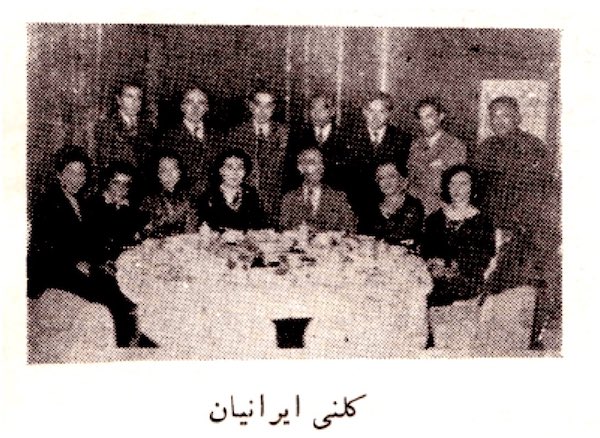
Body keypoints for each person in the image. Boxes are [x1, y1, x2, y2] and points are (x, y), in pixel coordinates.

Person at [27, 147, 151, 347]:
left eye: (82, 173)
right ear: (59, 174)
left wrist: (99, 262)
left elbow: (89, 240)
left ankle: (131, 336)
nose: (77, 178)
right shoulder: (49, 203)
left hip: (75, 264)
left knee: (118, 286)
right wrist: (78, 262)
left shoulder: (77, 200)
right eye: (71, 172)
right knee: (115, 296)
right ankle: (131, 341)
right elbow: (47, 245)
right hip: (52, 271)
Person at [469, 96, 554, 291]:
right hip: (489, 227)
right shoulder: (485, 148)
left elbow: (539, 194)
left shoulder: (534, 147)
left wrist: (515, 225)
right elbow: (477, 190)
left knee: (515, 286)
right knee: (487, 280)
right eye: (494, 116)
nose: (499, 121)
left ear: (518, 118)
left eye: (505, 115)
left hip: (523, 230)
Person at [421, 165, 496, 307]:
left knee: (438, 294)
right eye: (452, 183)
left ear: (473, 187)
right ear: (447, 187)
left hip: (467, 280)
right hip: (433, 276)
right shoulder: (435, 218)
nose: (457, 189)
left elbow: (483, 257)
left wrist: (451, 269)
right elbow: (426, 249)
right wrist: (433, 263)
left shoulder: (483, 222)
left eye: (463, 183)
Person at [339, 92, 413, 227]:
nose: (375, 116)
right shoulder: (347, 135)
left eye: (381, 112)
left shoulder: (402, 139)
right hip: (354, 205)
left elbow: (404, 175)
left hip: (388, 209)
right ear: (364, 112)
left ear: (389, 113)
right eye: (371, 111)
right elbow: (341, 175)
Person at [227, 89, 288, 227]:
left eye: (268, 106)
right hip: (244, 205)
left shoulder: (285, 133)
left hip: (277, 205)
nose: (262, 110)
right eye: (258, 104)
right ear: (250, 106)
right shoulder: (236, 133)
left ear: (274, 108)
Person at [407, 98, 467, 216]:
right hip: (416, 210)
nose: (425, 122)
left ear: (440, 116)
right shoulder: (414, 145)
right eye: (421, 117)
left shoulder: (456, 146)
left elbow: (458, 185)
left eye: (429, 116)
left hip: (444, 210)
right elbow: (410, 180)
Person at [159, 87, 219, 198]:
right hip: (181, 201)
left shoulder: (217, 137)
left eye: (201, 103)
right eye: (190, 102)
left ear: (206, 107)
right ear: (182, 106)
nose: (195, 108)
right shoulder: (168, 138)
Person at [280, 148, 357, 233]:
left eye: (320, 163)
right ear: (300, 168)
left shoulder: (338, 198)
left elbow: (350, 229)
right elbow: (283, 231)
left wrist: (332, 238)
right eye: (312, 162)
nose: (318, 167)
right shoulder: (289, 199)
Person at [197, 148, 265, 232]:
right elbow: (202, 228)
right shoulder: (208, 197)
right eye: (229, 167)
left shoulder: (251, 195)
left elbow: (259, 226)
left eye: (240, 168)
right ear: (220, 171)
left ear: (245, 171)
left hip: (246, 244)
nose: (235, 172)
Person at [284, 94, 343, 190]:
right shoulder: (298, 136)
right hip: (305, 194)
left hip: (335, 197)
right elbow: (291, 170)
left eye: (322, 108)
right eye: (313, 108)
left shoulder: (343, 137)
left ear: (332, 111)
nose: (316, 112)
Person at [360, 161, 424, 249]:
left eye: (391, 176)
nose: (386, 182)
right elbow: (363, 236)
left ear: (402, 179)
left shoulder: (414, 206)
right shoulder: (371, 208)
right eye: (381, 178)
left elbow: (403, 237)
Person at [94, 81, 155, 171]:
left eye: (138, 98)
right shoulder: (106, 126)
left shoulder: (148, 127)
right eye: (129, 96)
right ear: (119, 100)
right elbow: (104, 162)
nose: (135, 102)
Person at [139, 151, 198, 238]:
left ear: (180, 172)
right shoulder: (148, 201)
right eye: (164, 170)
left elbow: (192, 230)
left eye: (173, 169)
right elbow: (146, 232)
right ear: (157, 174)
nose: (169, 174)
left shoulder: (191, 198)